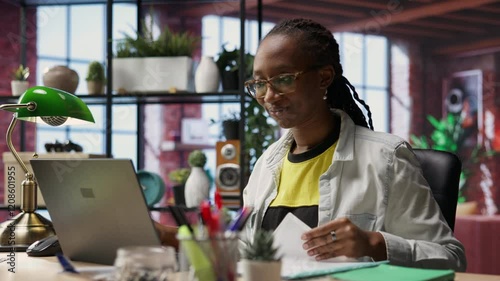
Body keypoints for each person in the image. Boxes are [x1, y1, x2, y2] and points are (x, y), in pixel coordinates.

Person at [241, 18, 466, 271]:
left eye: (283, 79)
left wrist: (374, 243)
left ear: (324, 77)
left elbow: (451, 257)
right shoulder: (265, 166)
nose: (269, 96)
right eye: (259, 84)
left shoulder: (386, 159)